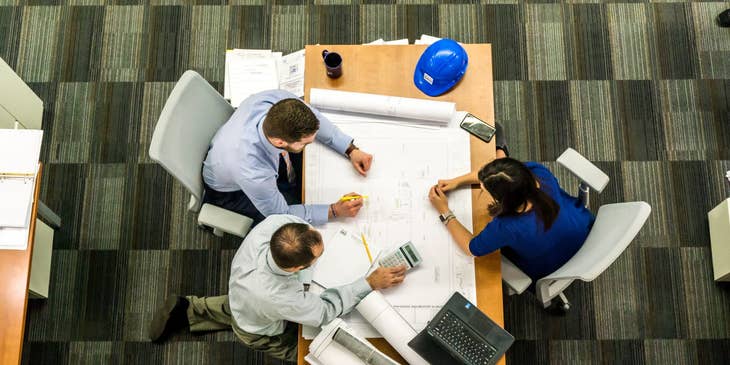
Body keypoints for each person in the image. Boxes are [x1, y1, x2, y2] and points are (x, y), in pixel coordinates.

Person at [148, 214, 407, 361]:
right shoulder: (281, 298)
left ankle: (189, 308)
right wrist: (369, 282)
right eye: (318, 257)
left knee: (238, 306)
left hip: (242, 292)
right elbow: (324, 312)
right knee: (306, 349)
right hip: (259, 327)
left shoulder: (276, 226)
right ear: (296, 269)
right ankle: (192, 313)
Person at [428, 153, 594, 305]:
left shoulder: (508, 226)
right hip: (583, 228)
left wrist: (444, 211)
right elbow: (503, 176)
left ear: (504, 200)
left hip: (550, 265)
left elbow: (471, 248)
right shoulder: (538, 173)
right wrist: (457, 181)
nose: (481, 188)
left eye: (485, 190)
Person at [202, 90, 374, 227]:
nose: (310, 144)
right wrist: (334, 211)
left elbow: (316, 119)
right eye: (305, 143)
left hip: (235, 152)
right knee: (292, 226)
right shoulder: (253, 172)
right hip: (231, 193)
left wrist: (350, 149)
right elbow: (281, 214)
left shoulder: (277, 101)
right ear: (280, 141)